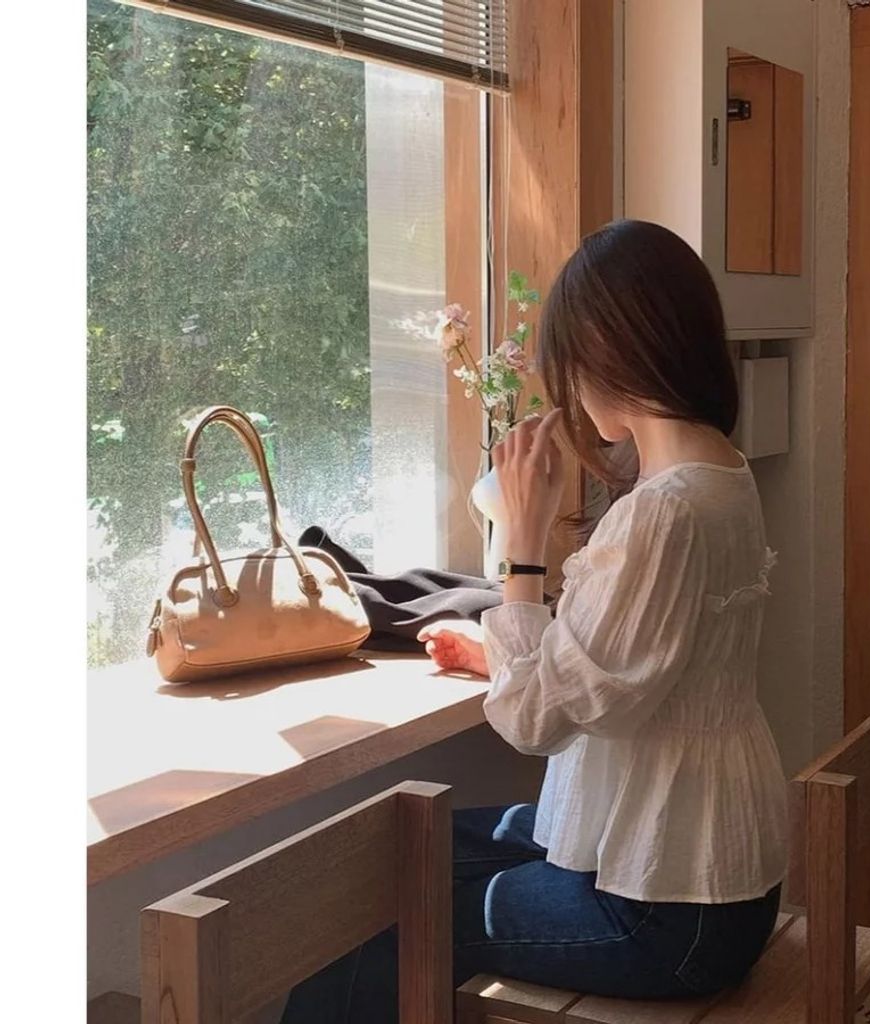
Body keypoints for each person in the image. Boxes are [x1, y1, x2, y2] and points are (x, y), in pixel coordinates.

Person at [280, 220, 789, 1022]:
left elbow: (533, 725)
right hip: (693, 869)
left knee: (393, 926)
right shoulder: (721, 477)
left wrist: (523, 543)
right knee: (404, 854)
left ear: (605, 353)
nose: (571, 393)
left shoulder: (663, 512)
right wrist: (504, 656)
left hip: (664, 908)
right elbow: (645, 666)